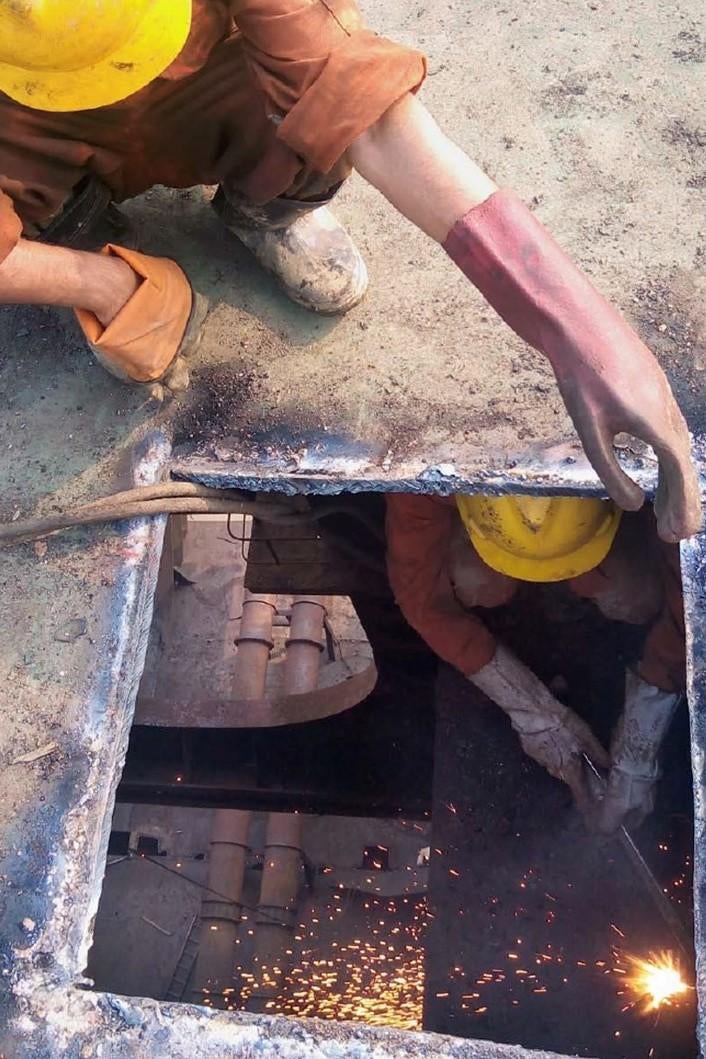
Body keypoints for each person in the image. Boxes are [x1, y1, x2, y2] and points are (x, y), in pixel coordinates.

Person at [0, 0, 700, 543]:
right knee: (48, 220)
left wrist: (581, 329)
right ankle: (88, 237)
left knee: (327, 109)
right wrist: (100, 285)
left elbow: (378, 119)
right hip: (29, 130)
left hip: (200, 73)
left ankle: (261, 209)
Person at [386, 492, 685, 832]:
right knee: (474, 582)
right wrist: (527, 706)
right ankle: (506, 585)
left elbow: (690, 599)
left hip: (611, 504)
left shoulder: (663, 459)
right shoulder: (424, 474)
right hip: (493, 521)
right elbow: (420, 595)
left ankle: (595, 569)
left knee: (635, 594)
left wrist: (643, 731)